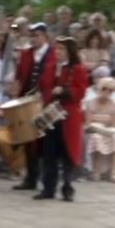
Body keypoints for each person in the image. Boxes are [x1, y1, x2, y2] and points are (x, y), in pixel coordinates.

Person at [34, 36, 86, 201]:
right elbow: (43, 87)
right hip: (50, 113)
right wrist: (49, 92)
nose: (58, 52)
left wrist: (63, 91)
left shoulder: (77, 69)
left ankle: (68, 187)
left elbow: (80, 92)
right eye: (56, 49)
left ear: (69, 51)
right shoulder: (50, 67)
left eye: (61, 49)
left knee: (67, 152)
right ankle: (48, 188)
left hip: (68, 115)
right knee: (49, 152)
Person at [13, 23, 58, 191]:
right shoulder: (26, 54)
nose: (33, 39)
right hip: (27, 102)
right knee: (29, 140)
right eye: (31, 35)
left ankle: (48, 181)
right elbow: (20, 77)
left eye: (37, 35)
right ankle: (31, 178)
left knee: (46, 142)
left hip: (46, 103)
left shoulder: (53, 53)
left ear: (45, 36)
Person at [84, 77, 115, 182]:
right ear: (99, 89)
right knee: (96, 137)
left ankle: (114, 173)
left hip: (108, 130)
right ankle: (96, 171)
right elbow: (88, 123)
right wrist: (102, 122)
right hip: (93, 130)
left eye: (110, 90)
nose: (106, 92)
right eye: (104, 88)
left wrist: (104, 122)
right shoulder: (90, 103)